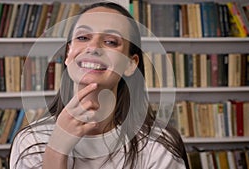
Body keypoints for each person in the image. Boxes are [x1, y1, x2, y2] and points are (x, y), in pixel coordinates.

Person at [10, 2, 189, 169]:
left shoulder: (158, 146)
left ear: (130, 64)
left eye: (111, 41)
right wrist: (56, 150)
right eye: (83, 37)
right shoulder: (30, 142)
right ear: (68, 55)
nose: (93, 47)